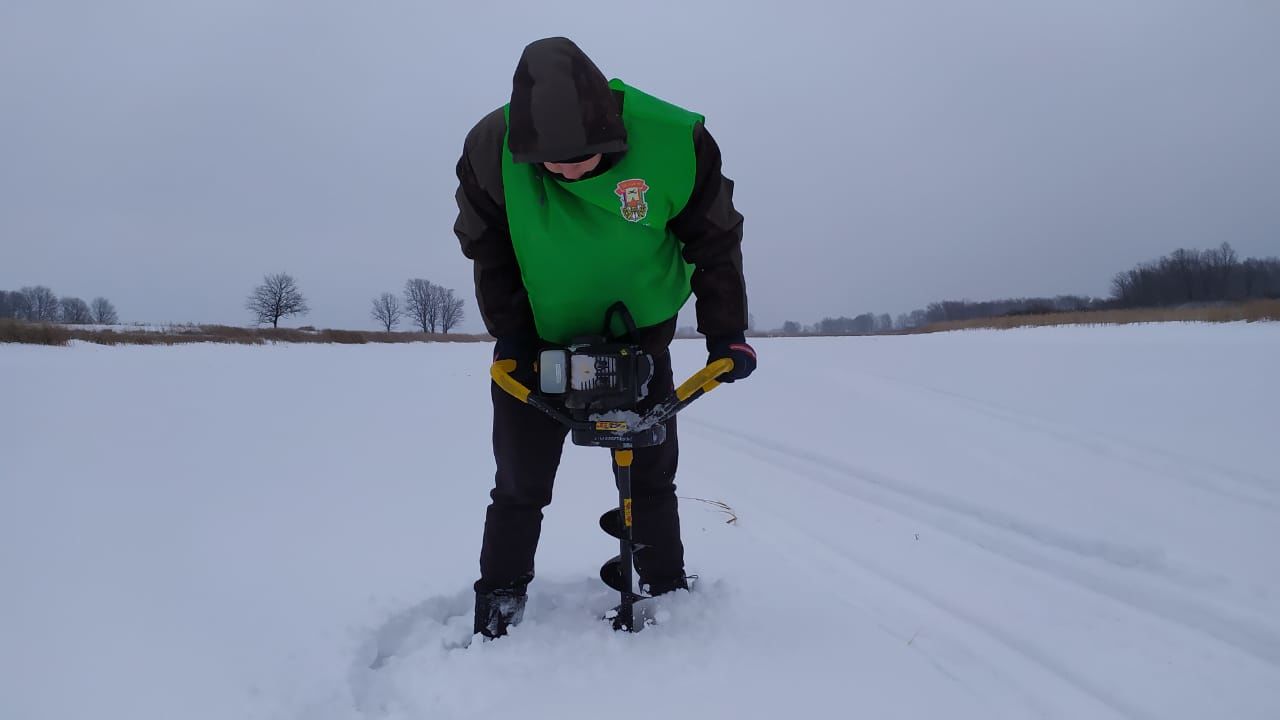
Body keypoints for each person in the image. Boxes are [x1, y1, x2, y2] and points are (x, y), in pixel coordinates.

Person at [452, 36, 757, 639]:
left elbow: (715, 239)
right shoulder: (491, 147)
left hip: (639, 336)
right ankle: (501, 598)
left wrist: (728, 334)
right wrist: (514, 339)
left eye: (580, 157)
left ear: (609, 127)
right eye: (550, 162)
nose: (565, 171)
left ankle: (664, 584)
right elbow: (487, 251)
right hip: (538, 341)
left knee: (650, 473)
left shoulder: (675, 140)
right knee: (520, 482)